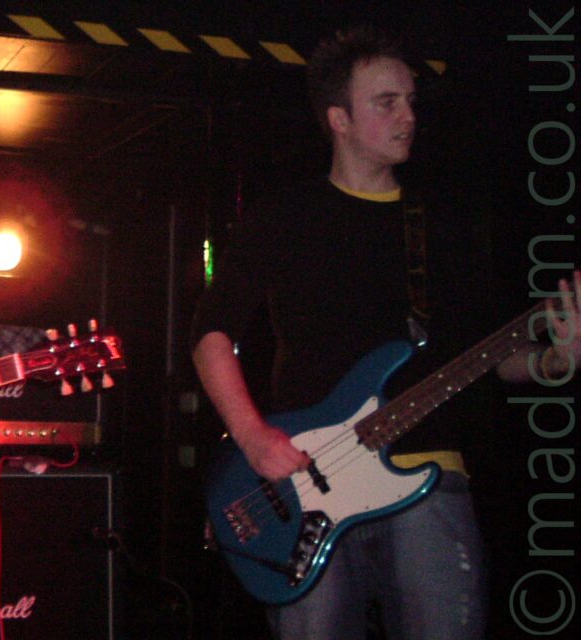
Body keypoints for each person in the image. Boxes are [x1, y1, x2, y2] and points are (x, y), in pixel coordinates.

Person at [191, 25, 579, 640]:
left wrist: (556, 361)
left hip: (430, 478)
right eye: (387, 102)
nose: (408, 116)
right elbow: (211, 334)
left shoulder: (445, 226)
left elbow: (496, 357)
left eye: (411, 102)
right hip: (304, 481)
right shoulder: (284, 217)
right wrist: (255, 439)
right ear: (339, 118)